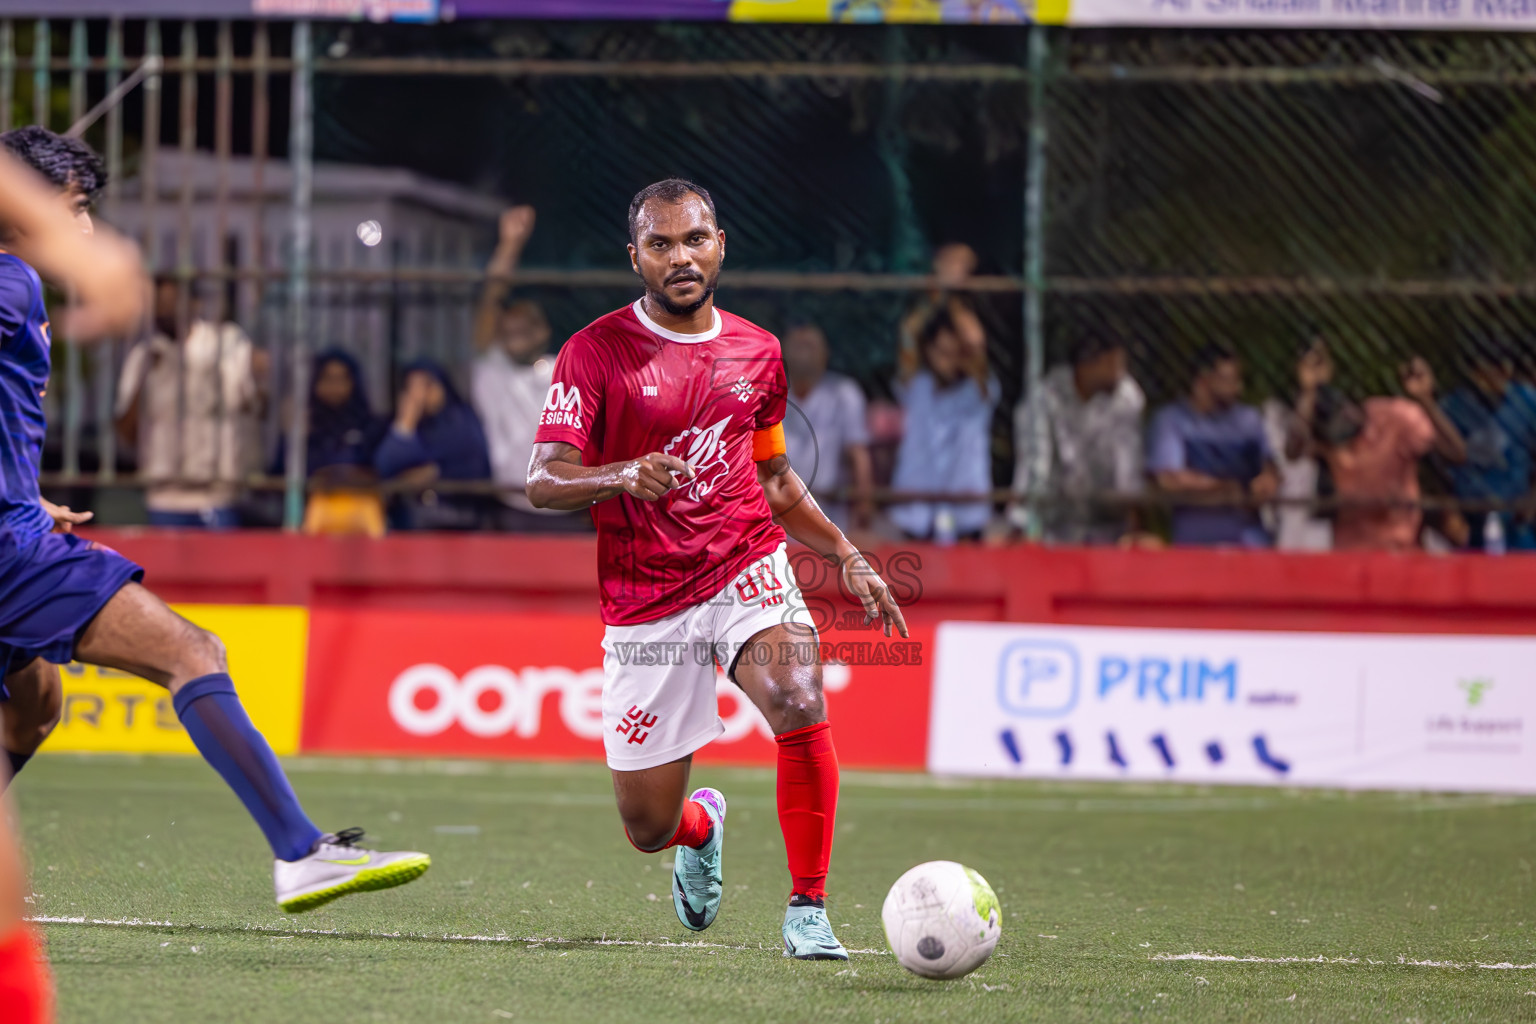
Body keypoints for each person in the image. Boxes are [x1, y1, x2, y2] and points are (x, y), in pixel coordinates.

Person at [0, 126, 428, 915]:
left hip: (17, 526)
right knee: (193, 651)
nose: (86, 229)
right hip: (8, 555)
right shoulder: (16, 282)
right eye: (75, 208)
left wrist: (24, 492)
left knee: (37, 701)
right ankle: (301, 853)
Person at [526, 179, 907, 960]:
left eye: (694, 239)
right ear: (635, 257)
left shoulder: (758, 353)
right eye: (660, 244)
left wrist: (844, 551)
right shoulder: (595, 352)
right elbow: (542, 478)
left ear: (720, 244)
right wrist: (619, 474)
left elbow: (772, 477)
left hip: (744, 561)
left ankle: (809, 909)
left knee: (800, 697)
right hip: (646, 599)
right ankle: (703, 827)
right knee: (648, 827)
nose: (681, 257)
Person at [470, 208, 588, 532]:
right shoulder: (493, 372)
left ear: (544, 331)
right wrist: (509, 246)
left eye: (528, 326)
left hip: (566, 510)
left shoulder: (563, 371)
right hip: (511, 508)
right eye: (510, 327)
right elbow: (491, 300)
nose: (518, 332)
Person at [115, 275, 262, 529]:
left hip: (217, 494)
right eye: (159, 305)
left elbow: (253, 405)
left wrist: (259, 376)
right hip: (164, 497)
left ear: (194, 304)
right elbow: (126, 433)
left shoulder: (225, 343)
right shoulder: (143, 356)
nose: (165, 311)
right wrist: (145, 378)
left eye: (172, 303)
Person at [1311, 357, 1466, 552]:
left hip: (1400, 546)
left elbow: (1456, 452)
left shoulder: (1394, 417)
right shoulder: (1327, 449)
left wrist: (1425, 399)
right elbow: (1293, 450)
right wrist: (1308, 392)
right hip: (1352, 552)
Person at [1010, 332, 1145, 544]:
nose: (1120, 374)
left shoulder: (1126, 396)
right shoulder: (1045, 399)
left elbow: (1128, 463)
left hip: (1106, 518)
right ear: (1086, 365)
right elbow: (1034, 464)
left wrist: (1132, 522)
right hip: (1054, 521)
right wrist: (1025, 523)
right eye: (1112, 364)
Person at [1147, 343, 1278, 547]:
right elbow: (1169, 479)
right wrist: (1228, 490)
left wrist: (1267, 481)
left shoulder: (1249, 419)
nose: (1238, 388)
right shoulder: (1172, 421)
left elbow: (1269, 468)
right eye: (1229, 380)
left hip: (1250, 541)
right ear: (1203, 381)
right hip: (1196, 541)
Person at [888, 306, 999, 542]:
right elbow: (908, 335)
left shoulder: (980, 390)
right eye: (941, 352)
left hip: (966, 511)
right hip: (916, 511)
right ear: (928, 351)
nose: (947, 360)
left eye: (955, 352)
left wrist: (955, 302)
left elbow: (977, 346)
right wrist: (937, 297)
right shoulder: (917, 386)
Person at [376, 359, 494, 531]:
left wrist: (434, 473)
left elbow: (477, 468)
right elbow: (385, 466)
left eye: (427, 386)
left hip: (459, 520)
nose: (420, 395)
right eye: (412, 388)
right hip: (411, 522)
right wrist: (405, 424)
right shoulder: (402, 424)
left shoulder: (462, 422)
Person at [280, 349, 388, 537]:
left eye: (341, 380)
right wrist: (294, 438)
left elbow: (379, 467)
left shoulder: (370, 426)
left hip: (364, 520)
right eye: (327, 379)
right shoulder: (308, 425)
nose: (334, 387)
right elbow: (283, 472)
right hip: (314, 520)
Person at [1440, 340, 1536, 550]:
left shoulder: (1526, 402)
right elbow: (1440, 468)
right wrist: (1450, 513)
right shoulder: (1453, 408)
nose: (1501, 375)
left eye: (1505, 368)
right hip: (1471, 514)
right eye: (1492, 369)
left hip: (1517, 515)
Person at [781, 323, 874, 532]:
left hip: (830, 514)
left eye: (810, 345)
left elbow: (859, 454)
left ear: (825, 353)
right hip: (780, 515)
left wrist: (864, 505)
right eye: (797, 344)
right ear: (783, 352)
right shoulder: (770, 393)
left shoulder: (844, 393)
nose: (803, 350)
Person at [1264, 338, 1335, 552]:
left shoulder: (1340, 408)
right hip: (1291, 513)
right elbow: (1293, 450)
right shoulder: (1275, 412)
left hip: (1327, 513)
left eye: (1320, 361)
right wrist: (1308, 391)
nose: (1314, 369)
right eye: (1307, 362)